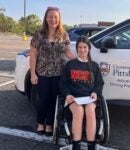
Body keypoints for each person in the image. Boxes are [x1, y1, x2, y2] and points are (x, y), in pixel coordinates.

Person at [30, 6, 74, 136]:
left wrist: (82, 59)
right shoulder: (39, 34)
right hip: (42, 72)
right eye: (50, 16)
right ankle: (40, 123)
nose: (53, 19)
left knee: (54, 99)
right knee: (43, 99)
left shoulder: (64, 34)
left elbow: (68, 53)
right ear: (46, 18)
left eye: (55, 17)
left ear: (59, 19)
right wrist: (33, 73)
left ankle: (49, 124)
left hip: (59, 73)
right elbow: (33, 55)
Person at [59, 36, 104, 150]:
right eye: (79, 47)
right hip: (74, 98)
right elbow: (63, 83)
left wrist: (95, 92)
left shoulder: (94, 66)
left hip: (89, 98)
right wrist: (67, 94)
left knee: (89, 110)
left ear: (88, 48)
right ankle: (76, 145)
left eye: (84, 47)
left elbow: (99, 84)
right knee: (78, 111)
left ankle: (91, 145)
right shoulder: (70, 65)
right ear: (77, 48)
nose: (82, 50)